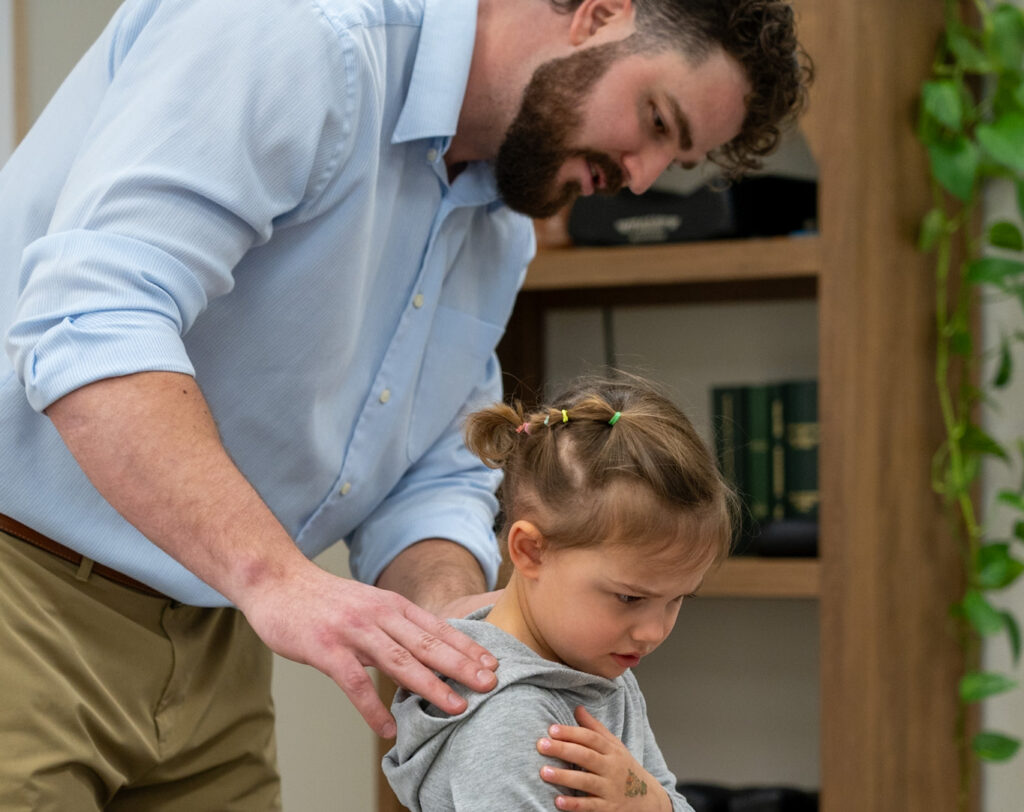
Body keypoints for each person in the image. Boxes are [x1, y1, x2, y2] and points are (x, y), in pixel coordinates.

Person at [0, 0, 808, 806]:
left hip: (210, 624)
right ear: (598, 13)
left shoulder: (497, 228)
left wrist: (449, 626)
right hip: (25, 593)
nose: (639, 178)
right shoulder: (295, 34)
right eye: (656, 121)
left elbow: (428, 468)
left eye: (677, 159)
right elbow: (91, 322)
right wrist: (277, 579)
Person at [383, 375, 734, 811]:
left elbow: (665, 797)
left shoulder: (601, 673)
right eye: (630, 598)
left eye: (679, 598)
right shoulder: (509, 719)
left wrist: (651, 803)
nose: (652, 632)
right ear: (530, 551)